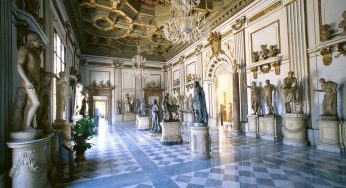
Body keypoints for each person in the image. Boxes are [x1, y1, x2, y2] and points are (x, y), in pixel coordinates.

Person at [17, 32, 42, 130]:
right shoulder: (24, 49)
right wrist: (27, 81)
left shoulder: (35, 53)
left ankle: (28, 125)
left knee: (30, 103)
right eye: (39, 40)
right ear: (33, 41)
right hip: (29, 81)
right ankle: (27, 126)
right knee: (36, 103)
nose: (40, 42)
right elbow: (19, 65)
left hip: (36, 82)